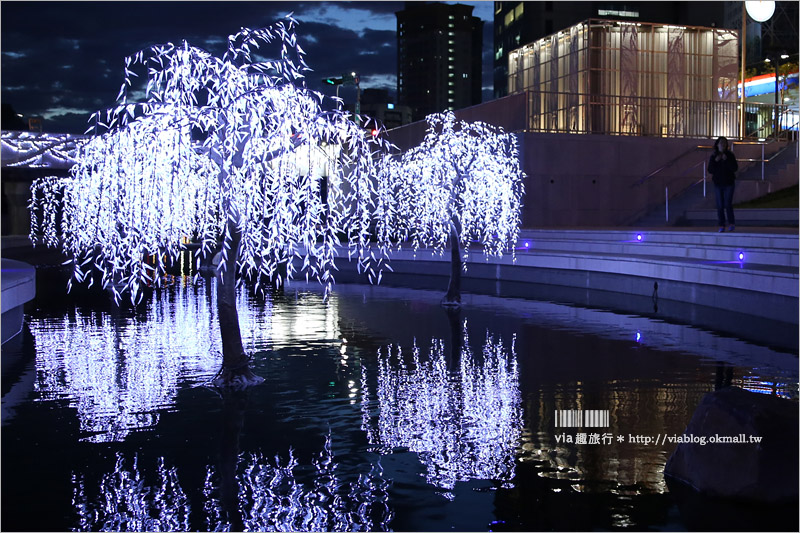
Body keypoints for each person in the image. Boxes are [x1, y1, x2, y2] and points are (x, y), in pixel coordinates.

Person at [707, 136, 738, 232]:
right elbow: (710, 170)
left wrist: (726, 160)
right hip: (718, 183)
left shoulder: (730, 155)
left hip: (729, 183)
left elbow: (734, 168)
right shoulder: (714, 156)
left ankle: (731, 223)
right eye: (721, 143)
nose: (723, 145)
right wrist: (716, 161)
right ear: (717, 145)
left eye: (724, 143)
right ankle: (721, 225)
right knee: (720, 205)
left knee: (727, 203)